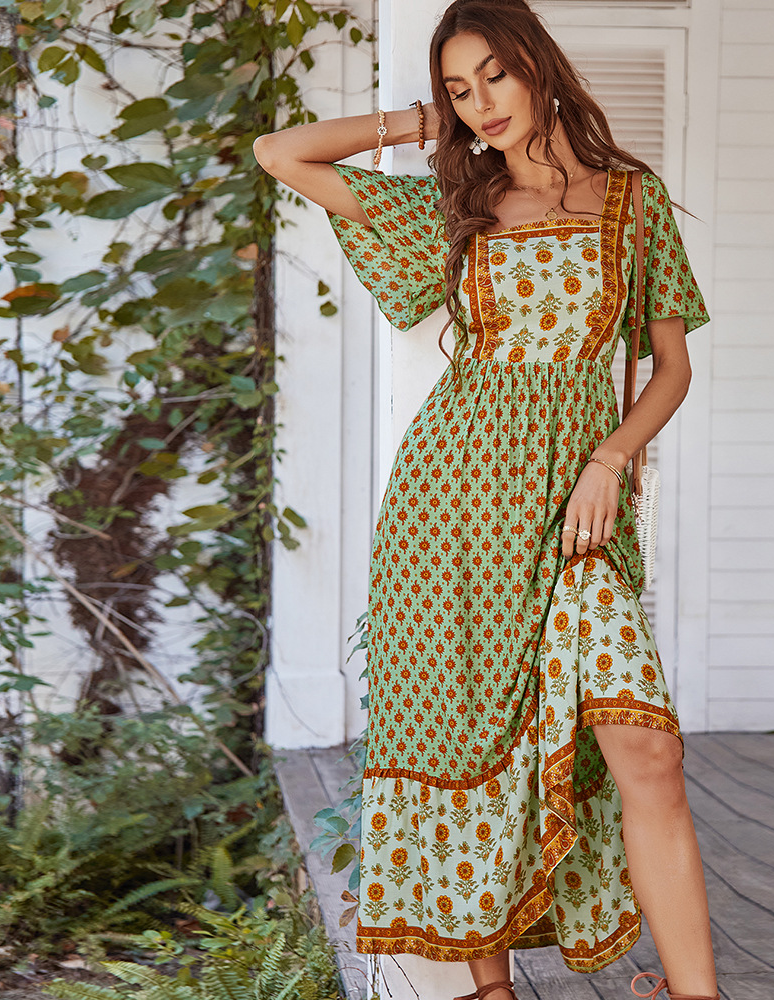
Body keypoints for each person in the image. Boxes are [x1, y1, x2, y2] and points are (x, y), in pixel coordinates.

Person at [254, 2, 718, 998]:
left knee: (646, 750)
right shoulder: (454, 203)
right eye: (461, 88)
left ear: (538, 66)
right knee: (464, 734)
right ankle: (491, 989)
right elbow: (280, 152)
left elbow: (671, 366)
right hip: (453, 509)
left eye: (494, 76)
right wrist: (422, 123)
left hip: (578, 513)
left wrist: (610, 456)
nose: (482, 103)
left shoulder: (631, 197)